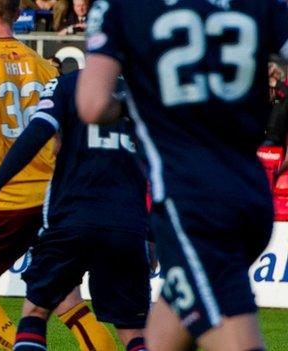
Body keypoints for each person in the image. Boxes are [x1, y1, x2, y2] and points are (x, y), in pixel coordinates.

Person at [78, 1, 288, 350]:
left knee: (233, 331)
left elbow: (93, 104)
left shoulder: (121, 7)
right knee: (165, 336)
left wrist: (143, 102)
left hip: (191, 202)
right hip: (252, 194)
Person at [0, 1, 112, 349]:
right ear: (17, 14)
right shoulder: (45, 67)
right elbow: (61, 140)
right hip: (54, 199)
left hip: (8, 200)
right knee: (67, 299)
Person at [0, 71, 150, 351]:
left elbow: (37, 132)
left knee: (35, 312)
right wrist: (151, 234)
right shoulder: (146, 91)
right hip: (127, 224)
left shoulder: (67, 83)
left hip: (72, 217)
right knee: (133, 329)